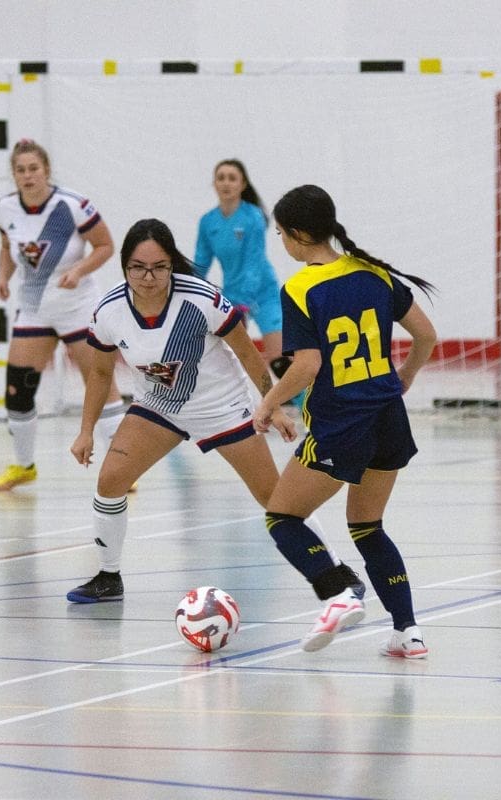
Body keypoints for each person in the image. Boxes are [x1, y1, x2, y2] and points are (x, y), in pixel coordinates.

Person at [65, 218, 341, 603]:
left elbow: (248, 353)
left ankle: (335, 573)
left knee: (276, 497)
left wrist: (273, 404)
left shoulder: (201, 298)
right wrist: (86, 430)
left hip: (221, 408)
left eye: (159, 267)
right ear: (125, 265)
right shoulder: (109, 310)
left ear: (172, 264)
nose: (148, 277)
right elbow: (98, 371)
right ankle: (108, 577)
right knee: (110, 481)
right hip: (158, 408)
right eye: (138, 268)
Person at [253, 184, 438, 659]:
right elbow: (426, 334)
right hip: (389, 416)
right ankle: (408, 631)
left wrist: (268, 403)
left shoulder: (300, 287)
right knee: (368, 526)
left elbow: (307, 365)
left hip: (343, 423)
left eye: (281, 234)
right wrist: (406, 376)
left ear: (297, 234)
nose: (283, 243)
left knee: (282, 517)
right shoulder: (374, 273)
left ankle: (337, 593)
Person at [0, 139, 129, 492]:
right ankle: (23, 466)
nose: (27, 176)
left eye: (33, 168)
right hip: (35, 306)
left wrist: (79, 271)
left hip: (77, 305)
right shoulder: (5, 209)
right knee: (17, 388)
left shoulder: (73, 205)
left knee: (99, 383)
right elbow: (7, 248)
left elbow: (106, 246)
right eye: (20, 170)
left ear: (46, 171)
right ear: (14, 175)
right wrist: (3, 278)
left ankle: (121, 468)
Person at [193, 159, 290, 378]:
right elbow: (200, 263)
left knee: (280, 361)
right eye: (221, 178)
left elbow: (253, 262)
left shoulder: (253, 217)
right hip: (233, 296)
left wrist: (244, 302)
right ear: (214, 184)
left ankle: (305, 405)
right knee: (231, 360)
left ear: (243, 184)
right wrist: (186, 289)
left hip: (263, 293)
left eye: (232, 178)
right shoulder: (208, 222)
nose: (226, 183)